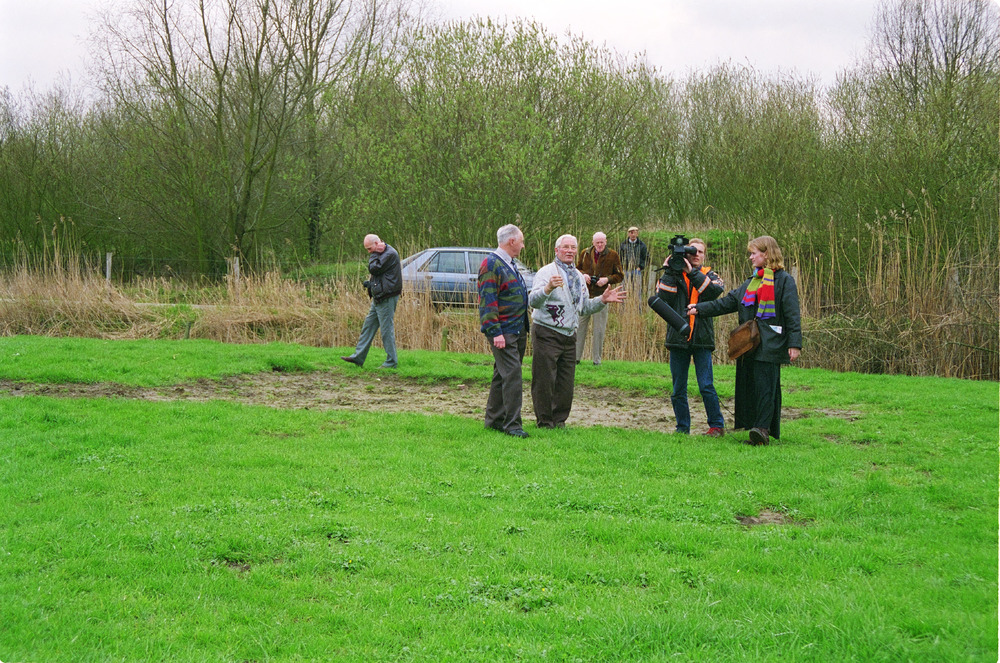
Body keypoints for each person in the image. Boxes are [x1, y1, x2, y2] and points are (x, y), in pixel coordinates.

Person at [688, 235, 802, 446]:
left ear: (766, 254)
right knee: (751, 385)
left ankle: (762, 430)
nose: (750, 257)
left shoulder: (785, 280)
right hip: (750, 344)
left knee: (766, 387)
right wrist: (699, 309)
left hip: (771, 343)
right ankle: (755, 427)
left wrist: (794, 344)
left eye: (753, 253)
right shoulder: (752, 282)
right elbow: (727, 303)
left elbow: (792, 314)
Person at [529, 234, 627, 429]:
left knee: (566, 383)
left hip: (569, 334)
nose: (570, 251)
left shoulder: (579, 277)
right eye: (565, 247)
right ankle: (545, 422)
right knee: (544, 380)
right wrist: (548, 288)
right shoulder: (546, 272)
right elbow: (533, 301)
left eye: (573, 247)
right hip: (547, 332)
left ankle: (559, 421)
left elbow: (583, 308)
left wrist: (602, 300)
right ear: (557, 250)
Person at [655, 238, 726, 437]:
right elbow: (663, 299)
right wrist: (669, 272)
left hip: (702, 339)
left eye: (700, 252)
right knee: (678, 388)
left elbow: (712, 292)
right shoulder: (673, 275)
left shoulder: (710, 275)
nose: (696, 255)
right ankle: (682, 428)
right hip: (678, 338)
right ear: (685, 253)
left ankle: (716, 426)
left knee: (706, 385)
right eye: (692, 251)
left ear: (704, 255)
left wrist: (691, 272)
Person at [478, 223, 531, 438]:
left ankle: (494, 420)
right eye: (521, 241)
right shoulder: (492, 264)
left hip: (517, 329)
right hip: (504, 331)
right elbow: (488, 300)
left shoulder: (508, 263)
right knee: (513, 375)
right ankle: (513, 425)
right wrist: (495, 332)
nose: (523, 245)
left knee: (502, 375)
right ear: (511, 241)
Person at [341, 234, 402, 369]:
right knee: (368, 326)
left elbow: (374, 268)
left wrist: (374, 255)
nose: (369, 252)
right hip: (379, 296)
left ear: (376, 244)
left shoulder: (389, 254)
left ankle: (391, 362)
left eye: (369, 249)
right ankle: (358, 357)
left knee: (386, 330)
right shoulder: (383, 253)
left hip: (386, 297)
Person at [575, 231, 624, 366]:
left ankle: (597, 360)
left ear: (606, 242)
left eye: (602, 242)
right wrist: (583, 276)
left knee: (599, 329)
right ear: (593, 243)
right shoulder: (585, 253)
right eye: (597, 242)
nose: (600, 245)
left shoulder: (613, 255)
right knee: (579, 327)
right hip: (585, 296)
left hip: (602, 296)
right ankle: (575, 358)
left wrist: (606, 280)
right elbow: (576, 269)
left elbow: (620, 275)